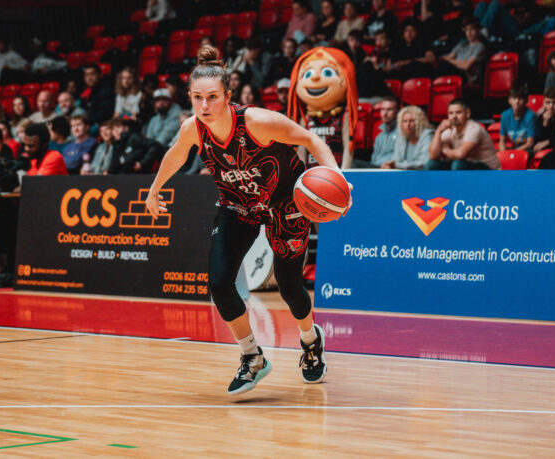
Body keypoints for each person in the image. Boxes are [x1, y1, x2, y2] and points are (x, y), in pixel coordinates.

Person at [145, 45, 344, 395]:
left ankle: (311, 340)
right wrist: (154, 189)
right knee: (220, 282)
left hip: (286, 205)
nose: (204, 106)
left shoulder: (258, 121)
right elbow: (174, 155)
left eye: (212, 97)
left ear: (227, 96)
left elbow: (311, 139)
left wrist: (334, 174)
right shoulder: (195, 128)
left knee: (289, 287)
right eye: (196, 98)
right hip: (239, 205)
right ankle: (252, 357)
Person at [427, 99, 500, 170]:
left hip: (489, 171)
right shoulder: (449, 129)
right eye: (451, 113)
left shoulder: (474, 128)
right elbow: (432, 156)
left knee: (458, 165)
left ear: (467, 113)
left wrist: (445, 150)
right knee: (432, 165)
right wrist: (439, 131)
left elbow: (460, 154)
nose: (454, 116)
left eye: (458, 112)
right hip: (467, 167)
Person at [438, 17, 488, 84]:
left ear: (478, 30)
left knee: (442, 65)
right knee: (440, 65)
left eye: (471, 29)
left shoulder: (480, 47)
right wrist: (461, 62)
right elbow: (445, 58)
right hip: (455, 71)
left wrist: (451, 62)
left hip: (465, 77)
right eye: (467, 30)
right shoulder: (461, 45)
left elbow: (466, 67)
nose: (469, 33)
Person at [389, 105, 435, 170]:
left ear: (419, 122)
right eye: (405, 121)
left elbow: (424, 162)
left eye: (411, 121)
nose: (408, 125)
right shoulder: (402, 137)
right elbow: (395, 160)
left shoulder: (427, 135)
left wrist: (397, 165)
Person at [499, 85, 537, 152]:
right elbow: (502, 140)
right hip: (515, 147)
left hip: (529, 149)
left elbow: (530, 143)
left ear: (526, 101)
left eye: (520, 98)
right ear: (509, 100)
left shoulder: (530, 116)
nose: (517, 101)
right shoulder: (504, 115)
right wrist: (504, 154)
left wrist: (513, 153)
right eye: (514, 98)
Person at [369, 96, 399, 168]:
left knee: (355, 164)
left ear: (397, 112)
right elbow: (373, 160)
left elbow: (398, 157)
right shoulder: (379, 136)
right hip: (377, 168)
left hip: (390, 168)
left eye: (389, 110)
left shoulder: (401, 133)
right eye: (382, 109)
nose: (385, 113)